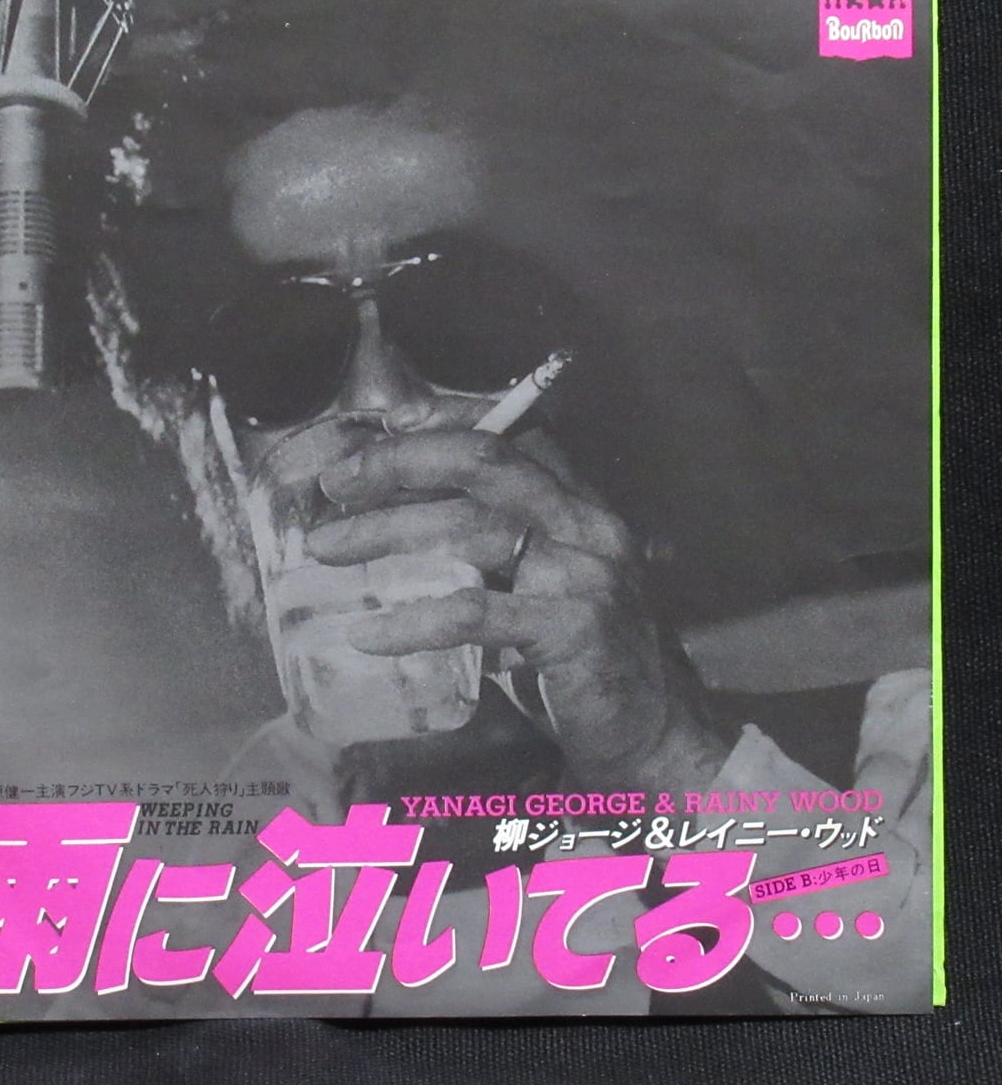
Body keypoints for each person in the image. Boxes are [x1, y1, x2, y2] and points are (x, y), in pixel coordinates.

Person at [89, 102, 932, 1016]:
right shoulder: (177, 891)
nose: (380, 402)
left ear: (605, 401)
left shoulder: (898, 752)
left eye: (466, 318)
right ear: (209, 452)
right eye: (280, 345)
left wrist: (667, 762)